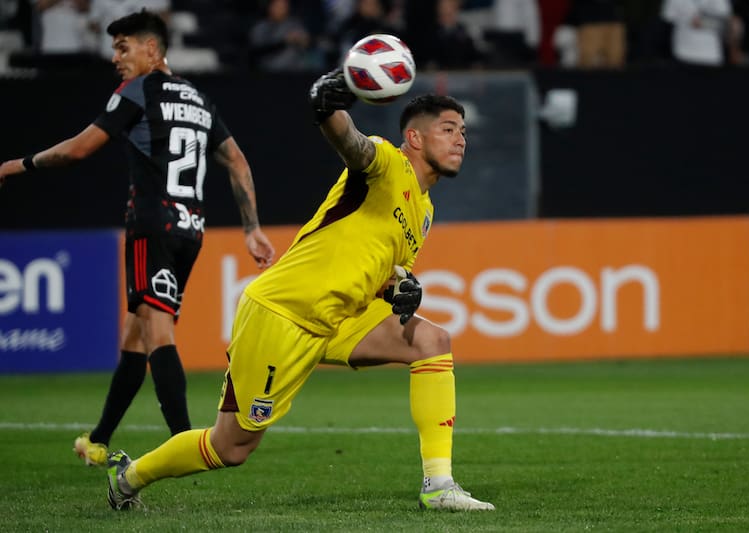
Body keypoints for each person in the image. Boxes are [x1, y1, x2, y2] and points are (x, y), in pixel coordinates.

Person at [101, 70, 495, 512]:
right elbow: (351, 143)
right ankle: (129, 475)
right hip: (283, 312)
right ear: (415, 138)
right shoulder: (387, 161)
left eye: (462, 131)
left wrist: (402, 287)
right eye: (448, 129)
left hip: (338, 317)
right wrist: (327, 107)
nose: (461, 139)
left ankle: (438, 485)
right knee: (231, 447)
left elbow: (382, 271)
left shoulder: (423, 211)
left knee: (432, 341)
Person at [0, 9, 275, 467]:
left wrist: (16, 165)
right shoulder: (199, 99)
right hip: (190, 230)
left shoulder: (138, 91)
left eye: (123, 47)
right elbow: (238, 162)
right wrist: (251, 229)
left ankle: (187, 445)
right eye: (114, 48)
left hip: (152, 225)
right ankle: (100, 438)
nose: (116, 58)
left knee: (157, 330)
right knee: (136, 334)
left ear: (153, 49)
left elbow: (79, 149)